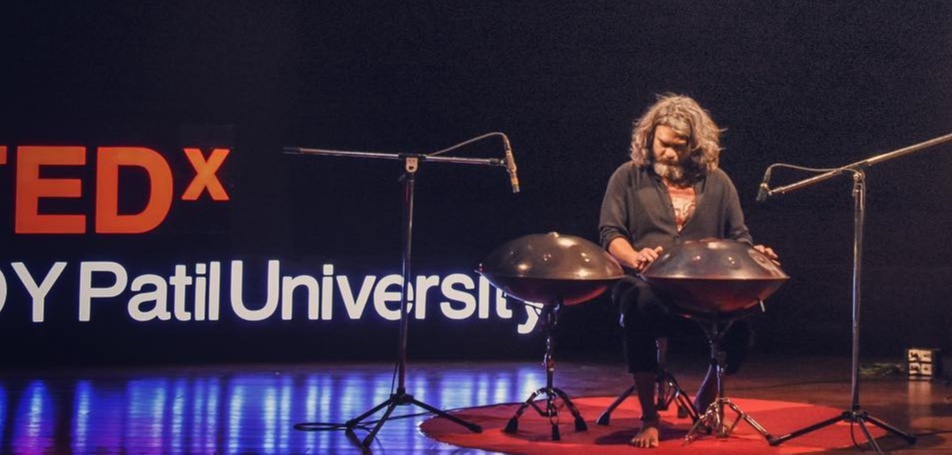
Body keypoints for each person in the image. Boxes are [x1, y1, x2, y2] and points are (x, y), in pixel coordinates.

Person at [598, 94, 778, 448]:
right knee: (640, 304)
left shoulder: (718, 181)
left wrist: (755, 254)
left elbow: (738, 238)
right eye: (663, 144)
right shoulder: (628, 177)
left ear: (694, 147)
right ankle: (650, 417)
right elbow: (610, 234)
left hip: (700, 287)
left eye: (679, 148)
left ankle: (707, 398)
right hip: (645, 281)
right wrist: (634, 257)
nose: (669, 153)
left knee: (743, 322)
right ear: (649, 137)